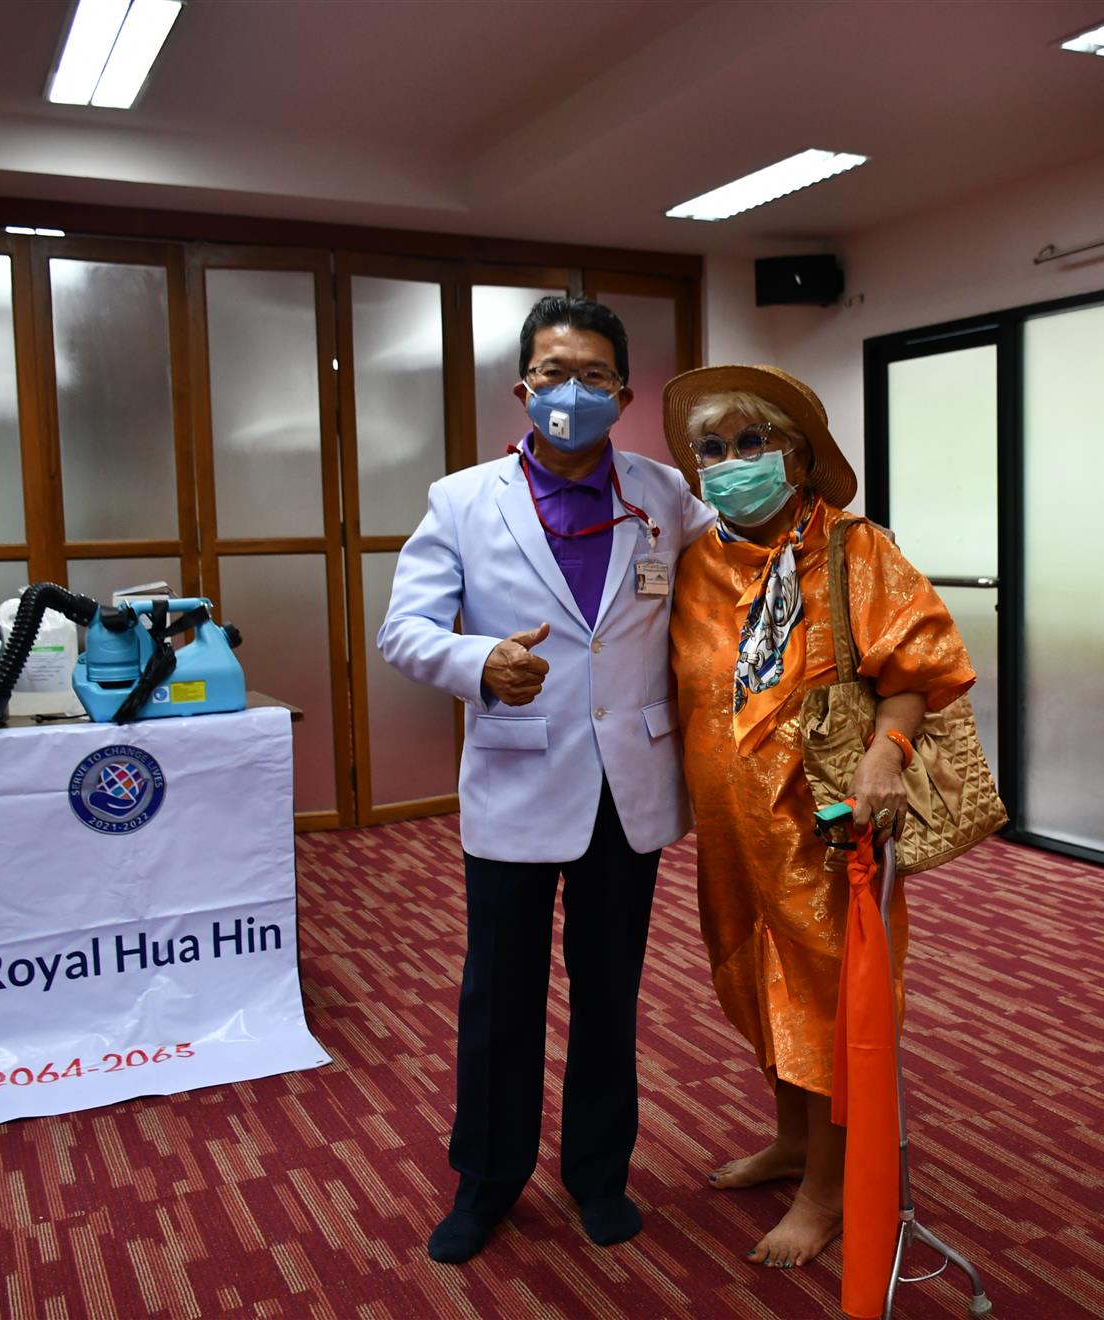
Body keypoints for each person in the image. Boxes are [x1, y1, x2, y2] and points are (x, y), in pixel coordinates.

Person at [378, 296, 714, 1263]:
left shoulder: (665, 495)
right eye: (555, 373)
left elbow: (734, 583)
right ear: (523, 388)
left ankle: (599, 1174)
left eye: (595, 376)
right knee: (501, 995)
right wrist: (479, 661)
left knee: (609, 992)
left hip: (629, 783)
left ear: (625, 392)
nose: (574, 392)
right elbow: (404, 631)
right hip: (518, 777)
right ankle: (486, 1181)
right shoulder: (461, 499)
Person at [662, 364, 977, 1270]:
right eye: (712, 448)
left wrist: (888, 752)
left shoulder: (853, 550)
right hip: (732, 829)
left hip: (828, 826)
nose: (731, 461)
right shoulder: (697, 562)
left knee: (833, 1000)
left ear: (797, 456)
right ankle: (795, 1143)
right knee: (761, 983)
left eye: (750, 442)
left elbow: (917, 667)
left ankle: (829, 1191)